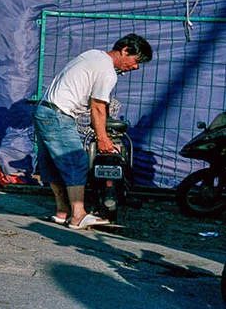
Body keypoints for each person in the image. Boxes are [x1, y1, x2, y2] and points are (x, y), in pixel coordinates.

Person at [35, 34, 152, 230]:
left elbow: (97, 104)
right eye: (136, 61)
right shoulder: (108, 72)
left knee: (52, 164)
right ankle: (78, 215)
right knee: (76, 161)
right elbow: (97, 107)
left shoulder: (94, 55)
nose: (136, 67)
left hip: (44, 110)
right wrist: (103, 138)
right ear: (125, 51)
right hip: (59, 115)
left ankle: (62, 212)